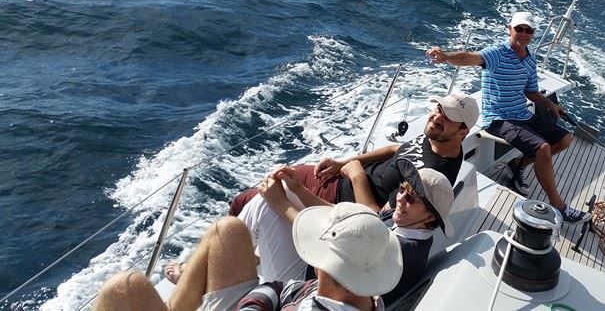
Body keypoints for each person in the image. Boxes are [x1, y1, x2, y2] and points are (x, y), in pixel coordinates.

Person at [211, 92, 473, 282]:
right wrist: (346, 163)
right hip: (344, 183)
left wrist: (357, 175)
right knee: (253, 195)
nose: (438, 116)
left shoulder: (428, 178)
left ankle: (217, 270)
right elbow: (397, 148)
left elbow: (367, 219)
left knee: (259, 201)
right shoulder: (434, 138)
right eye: (439, 108)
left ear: (463, 132)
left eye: (449, 116)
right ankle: (241, 256)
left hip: (341, 205)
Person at [426, 11, 587, 224]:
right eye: (518, 29)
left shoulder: (530, 60)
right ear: (509, 29)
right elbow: (473, 58)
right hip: (498, 118)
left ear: (533, 34)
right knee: (543, 148)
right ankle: (560, 206)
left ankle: (519, 165)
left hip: (521, 114)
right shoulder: (497, 52)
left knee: (565, 139)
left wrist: (551, 105)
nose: (523, 33)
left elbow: (531, 92)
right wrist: (446, 57)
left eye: (528, 30)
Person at [93, 202, 402, 311]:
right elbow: (284, 288)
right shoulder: (366, 300)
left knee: (125, 287)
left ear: (322, 265)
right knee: (228, 231)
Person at [251, 158, 454, 303]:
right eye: (402, 188)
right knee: (284, 191)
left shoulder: (402, 252)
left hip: (312, 282)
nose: (400, 199)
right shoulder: (406, 224)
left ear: (430, 217)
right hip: (322, 266)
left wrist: (280, 203)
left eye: (411, 198)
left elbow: (329, 245)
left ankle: (240, 272)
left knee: (264, 204)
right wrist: (298, 190)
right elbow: (343, 217)